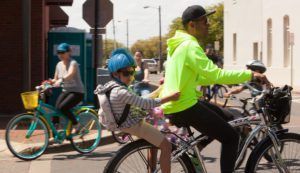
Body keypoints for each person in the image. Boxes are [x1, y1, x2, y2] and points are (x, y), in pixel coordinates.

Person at [160, 5, 270, 173]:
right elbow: (215, 75)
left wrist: (235, 80)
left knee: (227, 118)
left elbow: (200, 76)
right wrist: (249, 75)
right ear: (191, 24)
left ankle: (193, 155)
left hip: (180, 102)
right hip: (183, 105)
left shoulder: (178, 45)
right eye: (204, 21)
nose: (208, 24)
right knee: (231, 137)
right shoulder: (190, 45)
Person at [98, 48, 180, 173]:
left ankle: (150, 168)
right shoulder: (121, 91)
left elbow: (138, 100)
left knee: (155, 140)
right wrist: (169, 98)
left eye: (132, 72)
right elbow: (145, 104)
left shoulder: (111, 87)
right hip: (134, 125)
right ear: (115, 74)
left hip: (128, 122)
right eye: (126, 73)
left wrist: (157, 92)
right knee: (166, 146)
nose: (130, 76)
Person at [51, 43, 85, 131]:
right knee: (56, 109)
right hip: (65, 91)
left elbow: (70, 74)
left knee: (63, 107)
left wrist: (61, 80)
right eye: (58, 52)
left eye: (62, 52)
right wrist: (48, 83)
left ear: (69, 52)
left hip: (77, 92)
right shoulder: (58, 65)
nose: (60, 54)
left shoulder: (73, 63)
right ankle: (56, 131)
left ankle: (77, 125)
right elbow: (55, 79)